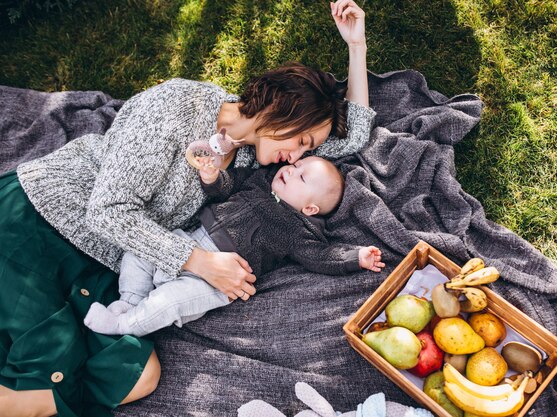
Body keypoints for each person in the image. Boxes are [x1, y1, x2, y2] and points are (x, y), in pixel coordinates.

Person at [0, 2, 371, 416]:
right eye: (302, 142)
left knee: (136, 376)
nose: (298, 157)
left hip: (109, 257)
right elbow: (107, 211)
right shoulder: (177, 106)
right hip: (43, 218)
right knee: (41, 376)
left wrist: (357, 47)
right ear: (280, 111)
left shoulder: (250, 155)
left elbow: (351, 138)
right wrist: (200, 262)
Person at [83, 156, 386, 337]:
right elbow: (225, 187)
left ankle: (123, 325)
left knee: (170, 302)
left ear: (309, 209)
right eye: (297, 164)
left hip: (214, 283)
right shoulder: (258, 181)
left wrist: (355, 256)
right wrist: (213, 178)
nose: (291, 169)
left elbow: (320, 255)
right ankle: (130, 298)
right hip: (188, 240)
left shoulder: (295, 230)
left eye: (301, 176)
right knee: (139, 249)